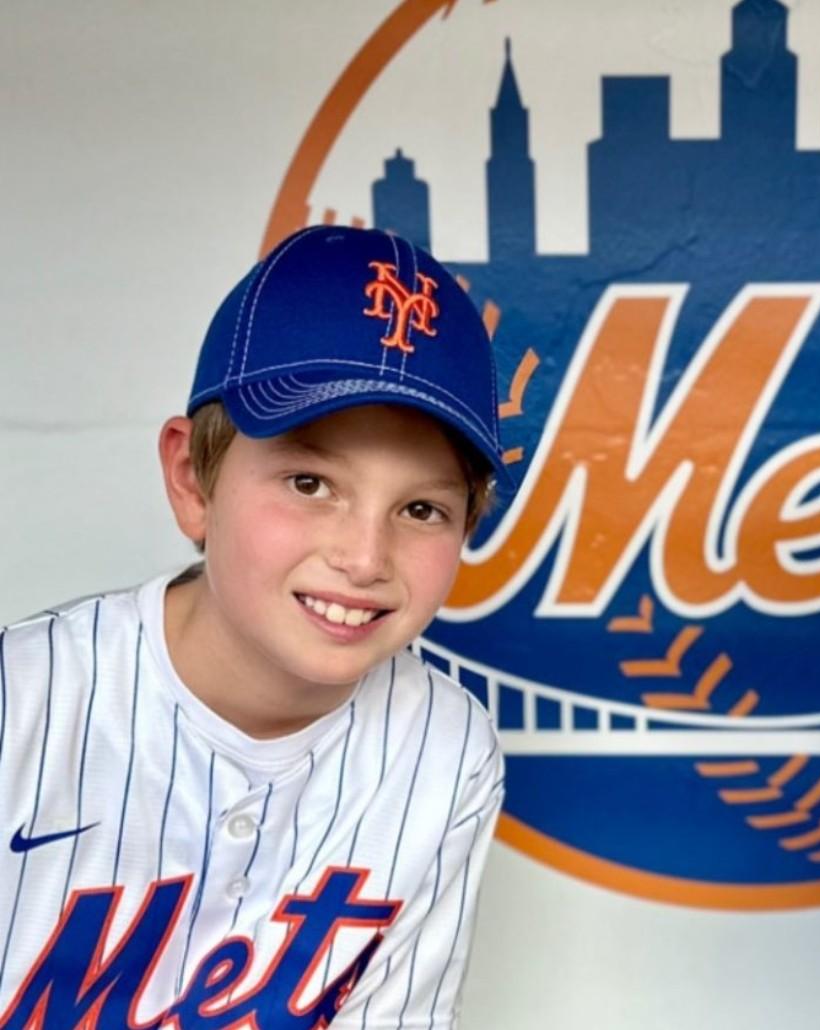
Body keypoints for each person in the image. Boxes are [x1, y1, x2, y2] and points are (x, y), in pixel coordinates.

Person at [0, 226, 506, 1027]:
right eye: (310, 482)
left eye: (421, 508)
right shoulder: (22, 707)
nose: (364, 556)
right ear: (191, 479)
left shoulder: (446, 749)